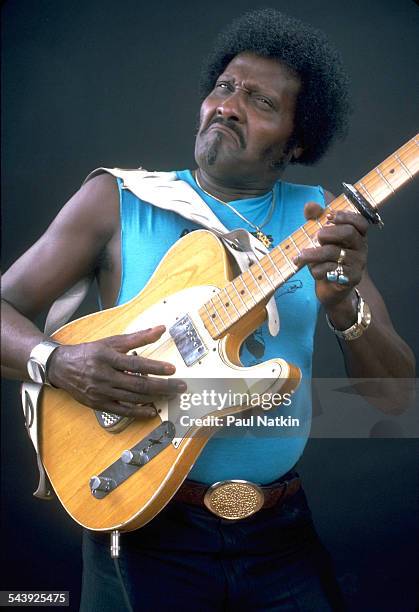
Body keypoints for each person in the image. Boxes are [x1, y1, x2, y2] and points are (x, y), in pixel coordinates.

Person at [1, 8, 415, 612]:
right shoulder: (118, 200)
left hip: (279, 534)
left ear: (298, 139)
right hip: (143, 529)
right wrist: (57, 361)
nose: (228, 105)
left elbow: (395, 397)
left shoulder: (319, 220)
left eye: (260, 102)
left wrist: (344, 302)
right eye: (224, 88)